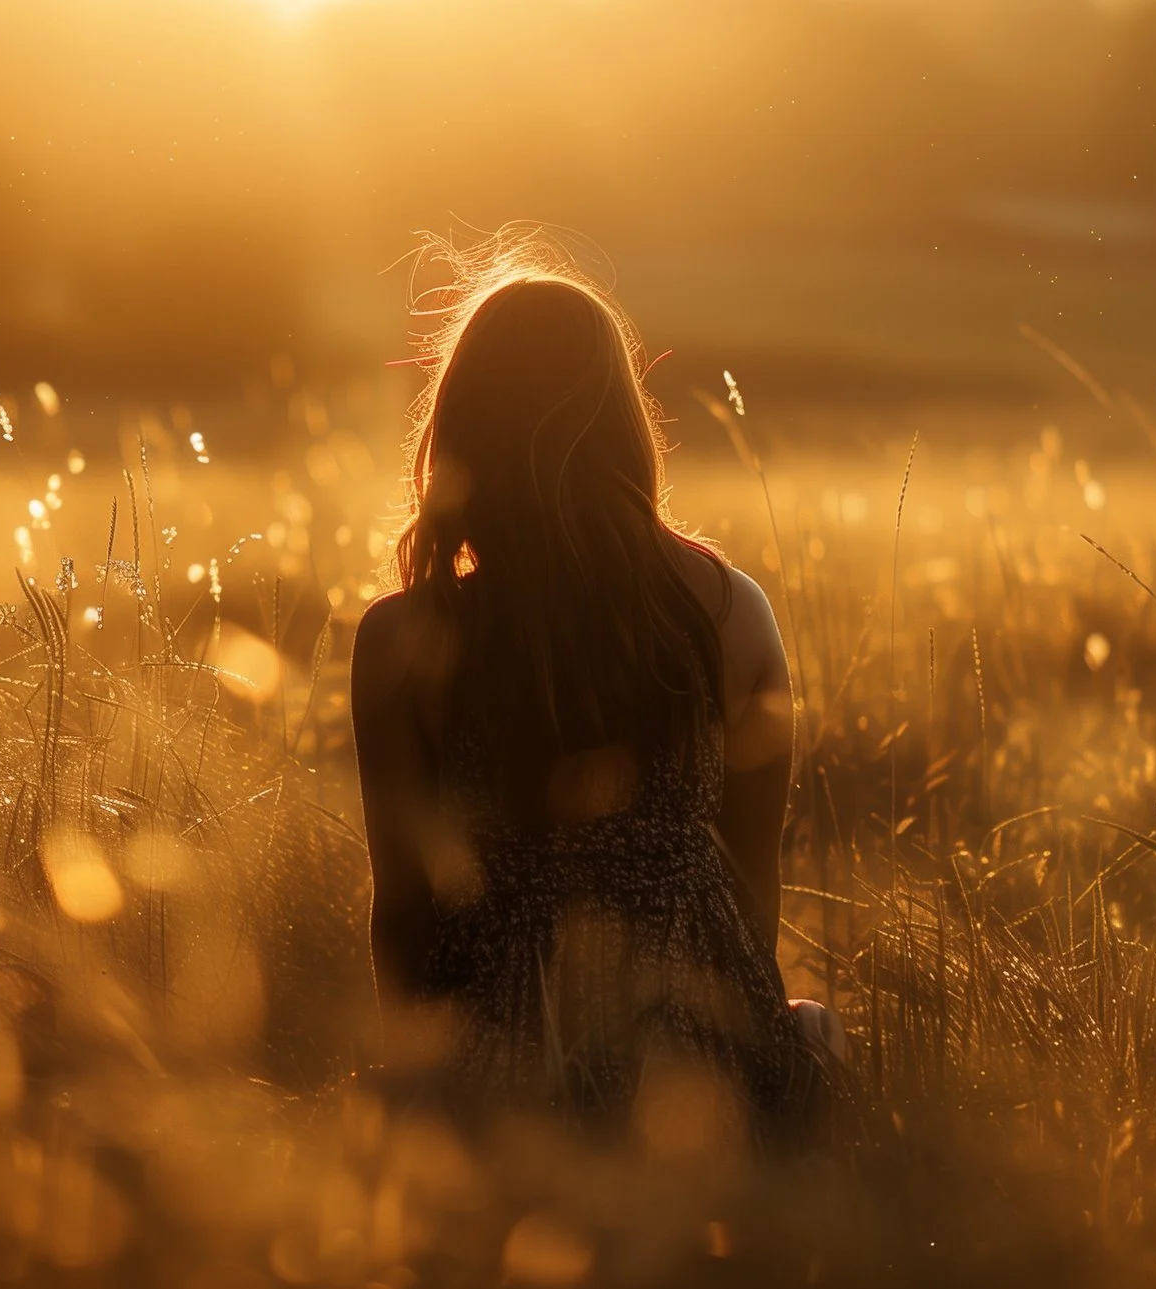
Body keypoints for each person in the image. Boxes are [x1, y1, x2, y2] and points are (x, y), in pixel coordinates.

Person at [349, 240, 842, 1144]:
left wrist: (422, 1101)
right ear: (623, 422)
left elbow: (404, 910)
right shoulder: (731, 612)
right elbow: (752, 889)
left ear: (462, 431)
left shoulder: (401, 637)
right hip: (695, 1067)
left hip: (503, 1062)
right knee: (817, 1034)